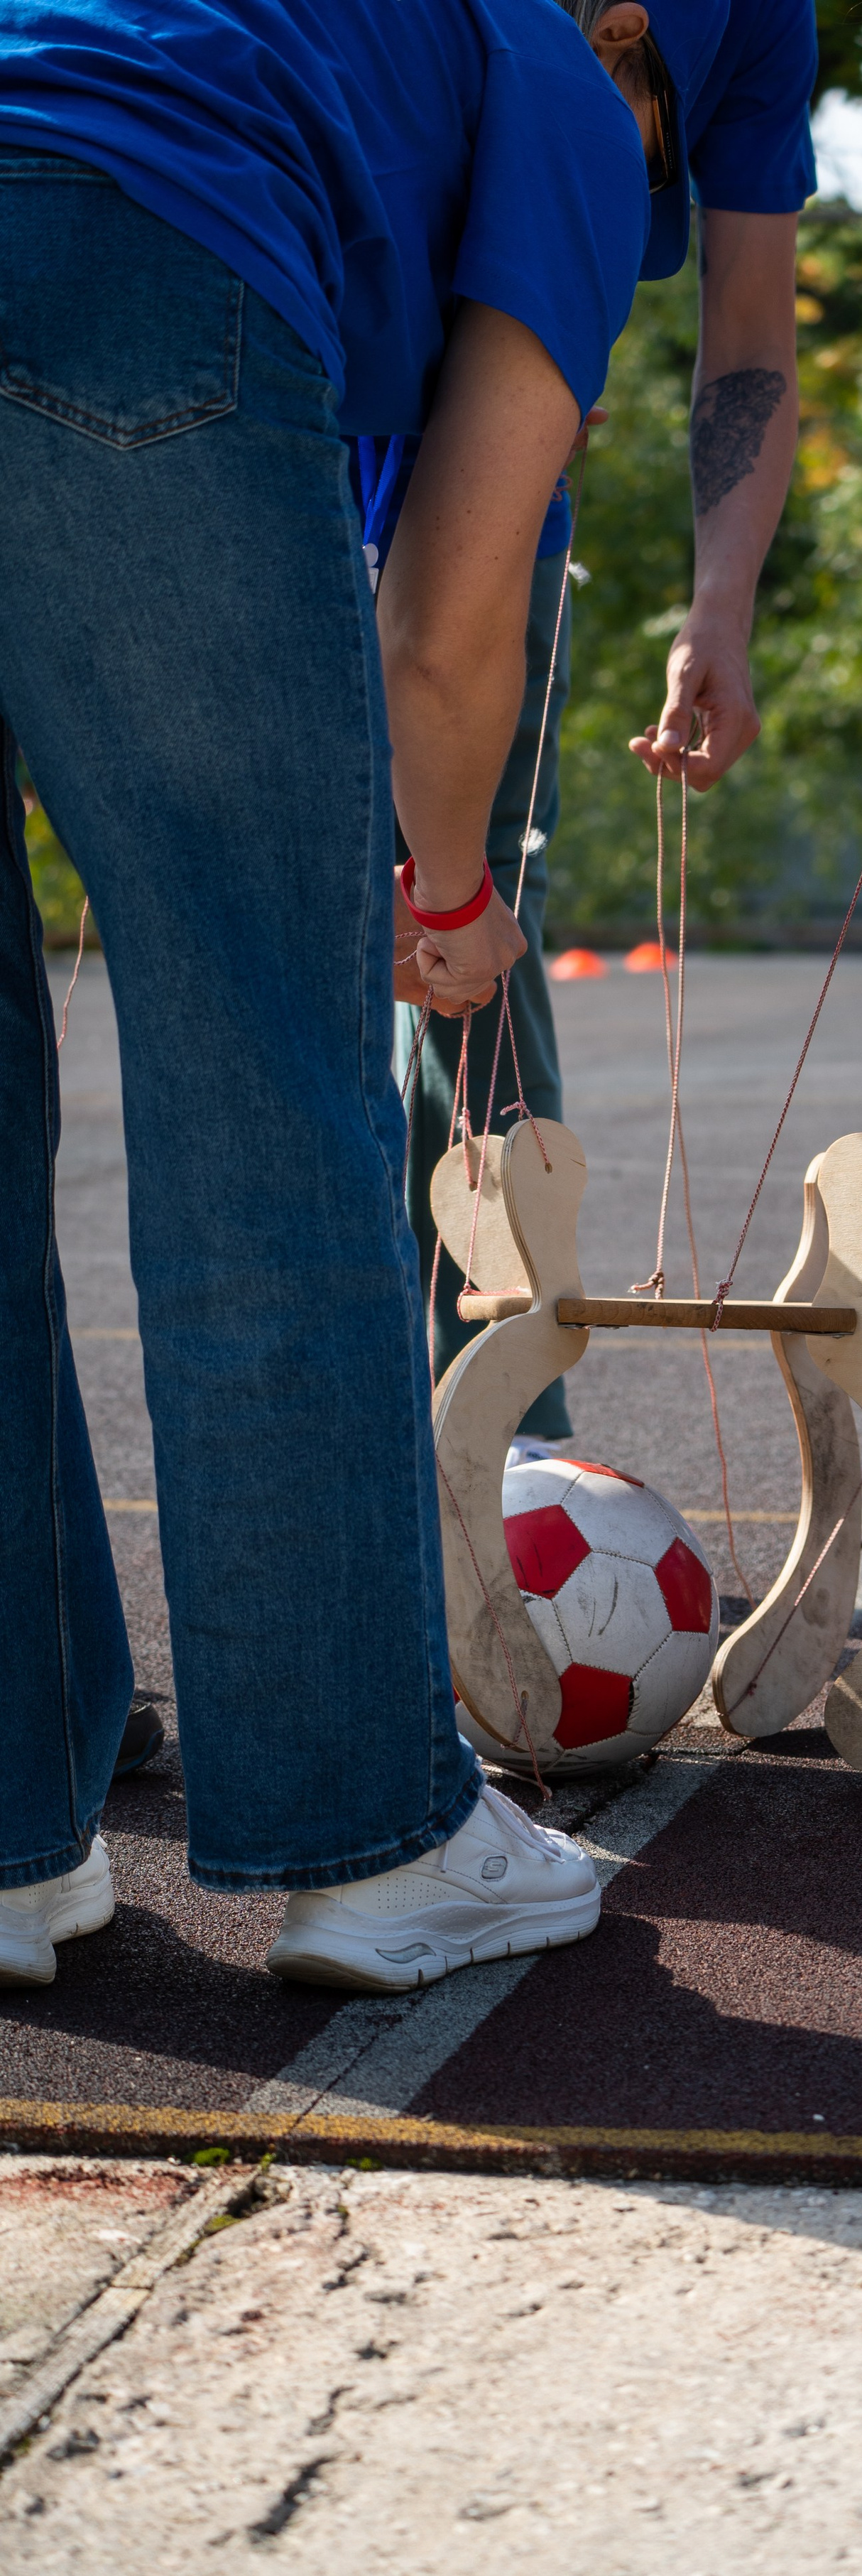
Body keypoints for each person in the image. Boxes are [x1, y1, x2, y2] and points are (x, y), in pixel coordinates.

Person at [0, 0, 653, 1991]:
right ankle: (376, 1840)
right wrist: (444, 893)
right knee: (267, 1094)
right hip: (134, 256)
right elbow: (453, 617)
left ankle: (18, 1846)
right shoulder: (560, 84)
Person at [393, 0, 818, 1466]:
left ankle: (511, 1443)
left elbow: (749, 332)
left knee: (475, 976)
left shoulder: (752, 23)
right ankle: (356, 1483)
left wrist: (720, 607)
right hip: (293, 445)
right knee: (330, 989)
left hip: (498, 498)